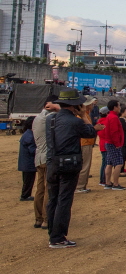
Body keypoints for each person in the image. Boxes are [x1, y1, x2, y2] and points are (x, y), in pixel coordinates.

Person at [46, 88, 96, 248]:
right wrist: (83, 115)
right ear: (75, 105)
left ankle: (52, 233)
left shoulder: (51, 119)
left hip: (52, 162)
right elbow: (90, 133)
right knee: (64, 200)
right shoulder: (76, 121)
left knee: (53, 198)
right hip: (69, 163)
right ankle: (58, 237)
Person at [32, 95, 59, 228]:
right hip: (49, 157)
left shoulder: (37, 118)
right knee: (49, 188)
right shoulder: (51, 118)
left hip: (39, 157)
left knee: (39, 189)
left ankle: (38, 218)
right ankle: (47, 219)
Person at [99, 100, 126, 190]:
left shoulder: (109, 116)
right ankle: (115, 183)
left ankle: (107, 182)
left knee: (109, 163)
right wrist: (117, 143)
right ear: (115, 107)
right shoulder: (114, 117)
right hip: (113, 143)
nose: (119, 107)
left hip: (109, 143)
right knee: (118, 164)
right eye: (118, 106)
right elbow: (114, 132)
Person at [75, 96, 99, 193]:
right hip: (84, 142)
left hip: (87, 142)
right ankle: (80, 186)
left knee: (86, 165)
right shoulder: (82, 116)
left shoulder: (87, 114)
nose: (93, 105)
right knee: (84, 165)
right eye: (91, 103)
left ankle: (83, 185)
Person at [18, 117, 37, 201]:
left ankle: (26, 194)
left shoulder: (27, 134)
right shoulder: (30, 136)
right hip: (28, 163)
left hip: (26, 163)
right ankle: (25, 195)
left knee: (27, 180)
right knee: (28, 180)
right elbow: (32, 150)